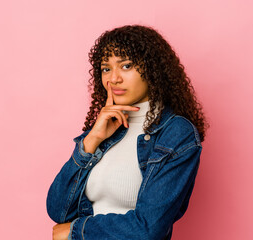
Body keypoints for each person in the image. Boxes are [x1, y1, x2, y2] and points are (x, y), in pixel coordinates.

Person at [46, 24, 208, 240]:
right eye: (106, 69)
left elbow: (148, 228)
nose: (113, 79)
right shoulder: (106, 128)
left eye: (126, 66)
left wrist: (76, 231)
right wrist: (92, 140)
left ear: (152, 68)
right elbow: (58, 210)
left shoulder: (176, 133)